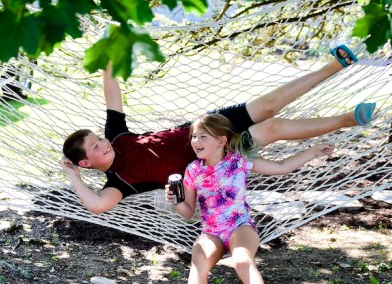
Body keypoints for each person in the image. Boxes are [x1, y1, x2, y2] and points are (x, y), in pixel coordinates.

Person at [60, 44, 371, 213]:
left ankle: (334, 66)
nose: (103, 143)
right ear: (86, 163)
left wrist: (109, 57)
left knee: (268, 106)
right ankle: (347, 119)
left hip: (207, 126)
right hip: (218, 153)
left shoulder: (116, 135)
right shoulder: (120, 183)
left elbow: (111, 93)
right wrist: (73, 175)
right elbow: (97, 205)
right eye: (95, 147)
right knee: (273, 128)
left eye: (99, 138)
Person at [167, 112, 333, 284]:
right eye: (194, 136)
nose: (196, 141)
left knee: (242, 260)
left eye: (203, 136)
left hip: (240, 226)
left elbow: (281, 166)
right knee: (198, 258)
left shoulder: (238, 162)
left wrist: (312, 151)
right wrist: (176, 201)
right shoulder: (193, 170)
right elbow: (188, 211)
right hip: (211, 231)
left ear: (221, 141)